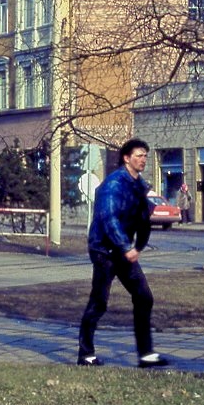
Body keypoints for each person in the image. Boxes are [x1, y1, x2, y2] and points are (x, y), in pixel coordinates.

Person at [77, 138, 169, 368]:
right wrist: (126, 247)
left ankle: (146, 354)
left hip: (122, 251)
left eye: (145, 155)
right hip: (104, 250)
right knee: (99, 302)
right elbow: (108, 218)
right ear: (126, 158)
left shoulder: (138, 185)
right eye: (139, 155)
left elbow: (142, 217)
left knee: (144, 297)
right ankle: (85, 354)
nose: (143, 159)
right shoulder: (113, 185)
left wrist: (138, 245)